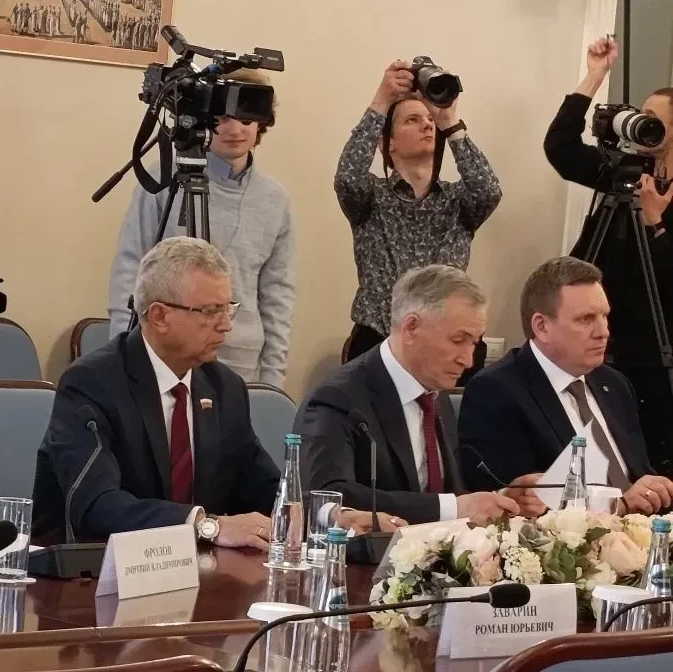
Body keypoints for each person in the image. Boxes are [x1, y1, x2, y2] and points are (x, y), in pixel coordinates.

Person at [36, 237, 398, 546]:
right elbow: (96, 505)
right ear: (160, 316)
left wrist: (329, 516)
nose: (226, 325)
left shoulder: (223, 387)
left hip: (199, 576)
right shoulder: (92, 382)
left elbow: (263, 486)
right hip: (94, 579)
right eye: (210, 311)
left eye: (228, 309)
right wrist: (208, 525)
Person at [107, 68, 296, 387]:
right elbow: (130, 268)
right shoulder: (163, 179)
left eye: (246, 117)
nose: (235, 129)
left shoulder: (276, 200)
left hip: (242, 362)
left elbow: (278, 293)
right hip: (165, 355)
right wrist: (122, 355)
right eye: (222, 117)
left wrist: (272, 378)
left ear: (261, 122)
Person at [296, 265, 519, 526]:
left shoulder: (436, 396)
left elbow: (452, 495)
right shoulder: (338, 398)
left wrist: (499, 499)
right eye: (458, 340)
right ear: (411, 327)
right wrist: (453, 507)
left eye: (475, 343)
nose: (468, 360)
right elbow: (326, 497)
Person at [544, 36, 673, 475]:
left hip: (651, 348)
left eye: (653, 119)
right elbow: (561, 148)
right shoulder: (626, 173)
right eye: (641, 114)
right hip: (591, 337)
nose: (641, 124)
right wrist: (594, 75)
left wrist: (656, 223)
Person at [458, 257, 673, 517]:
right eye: (586, 319)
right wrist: (618, 506)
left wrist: (654, 489)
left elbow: (639, 475)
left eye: (604, 316)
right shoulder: (496, 391)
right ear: (542, 326)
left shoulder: (615, 384)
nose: (603, 331)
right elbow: (515, 508)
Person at [336, 60, 502, 382]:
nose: (427, 126)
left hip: (448, 342)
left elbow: (489, 190)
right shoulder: (372, 197)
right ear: (387, 142)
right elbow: (347, 177)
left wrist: (449, 122)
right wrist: (382, 100)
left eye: (429, 121)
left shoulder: (457, 201)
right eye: (413, 120)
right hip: (379, 341)